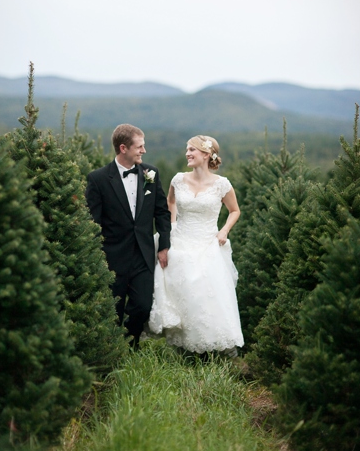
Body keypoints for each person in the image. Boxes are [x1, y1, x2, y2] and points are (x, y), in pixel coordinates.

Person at [148, 135, 244, 354]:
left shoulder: (222, 185)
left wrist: (224, 230)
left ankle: (206, 348)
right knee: (180, 289)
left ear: (206, 154)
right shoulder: (178, 179)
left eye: (192, 150)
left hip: (207, 243)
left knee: (203, 292)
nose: (187, 154)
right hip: (180, 240)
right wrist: (171, 225)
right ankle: (181, 345)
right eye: (186, 149)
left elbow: (235, 210)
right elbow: (170, 202)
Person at [86, 123, 171, 347]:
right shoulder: (98, 179)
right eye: (139, 147)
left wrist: (163, 245)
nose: (144, 151)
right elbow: (92, 221)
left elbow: (162, 211)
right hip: (112, 255)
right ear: (123, 148)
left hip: (143, 253)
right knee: (113, 307)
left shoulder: (150, 173)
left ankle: (130, 344)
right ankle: (112, 350)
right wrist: (96, 255)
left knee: (142, 306)